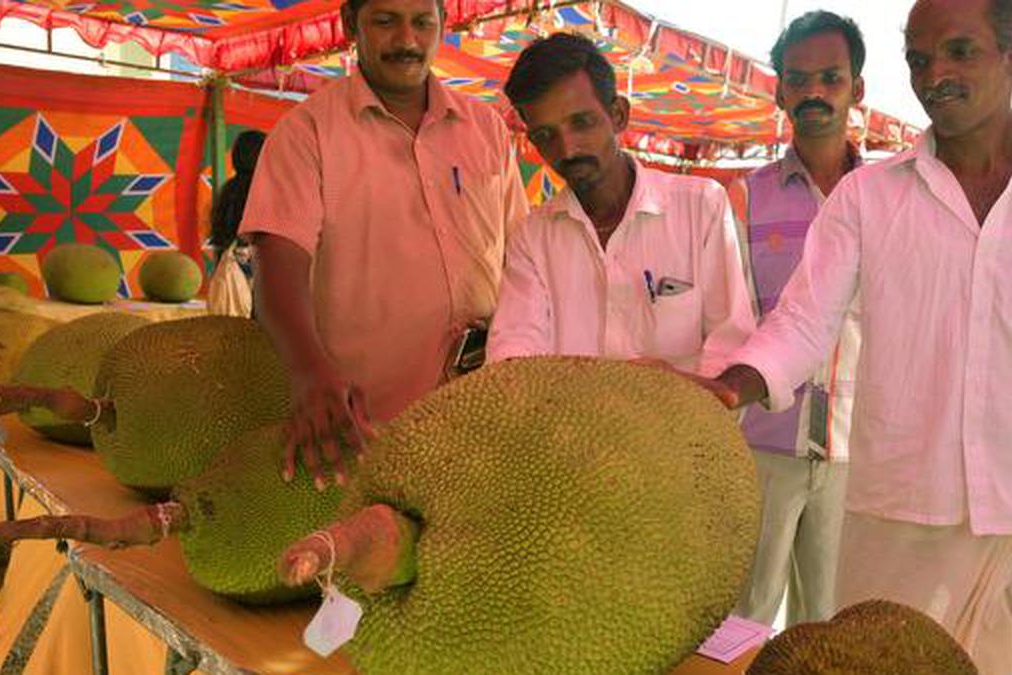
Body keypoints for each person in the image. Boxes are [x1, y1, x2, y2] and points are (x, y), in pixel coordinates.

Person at [698, 1, 1012, 672]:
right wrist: (731, 386)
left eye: (961, 52)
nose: (936, 76)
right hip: (894, 519)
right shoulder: (868, 198)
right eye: (920, 60)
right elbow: (804, 321)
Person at [239, 0, 529, 489]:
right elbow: (279, 260)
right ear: (351, 24)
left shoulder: (487, 131)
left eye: (422, 23)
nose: (407, 41)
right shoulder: (307, 133)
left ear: (443, 25)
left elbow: (522, 263)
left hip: (485, 421)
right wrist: (309, 373)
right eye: (385, 21)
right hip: (363, 436)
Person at [485, 32, 753, 375]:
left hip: (677, 423)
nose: (567, 149)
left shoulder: (702, 206)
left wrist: (681, 391)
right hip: (569, 424)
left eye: (581, 123)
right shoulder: (533, 237)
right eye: (545, 135)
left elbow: (729, 345)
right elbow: (515, 347)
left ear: (618, 115)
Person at [722, 11, 865, 627]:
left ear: (856, 88)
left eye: (830, 78)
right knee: (741, 620)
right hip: (762, 446)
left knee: (830, 626)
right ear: (778, 88)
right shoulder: (744, 198)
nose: (813, 92)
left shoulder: (886, 198)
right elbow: (729, 321)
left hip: (856, 453)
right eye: (798, 78)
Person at [207, 129, 265, 317]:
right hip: (259, 275)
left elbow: (222, 234)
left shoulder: (229, 190)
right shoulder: (266, 190)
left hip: (236, 270)